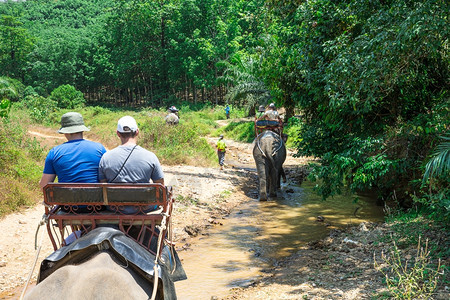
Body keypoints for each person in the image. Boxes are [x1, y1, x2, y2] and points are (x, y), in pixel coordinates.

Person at [99, 115, 164, 214]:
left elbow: (102, 183)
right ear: (137, 132)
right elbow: (160, 186)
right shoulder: (150, 156)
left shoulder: (105, 157)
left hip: (114, 208)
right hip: (144, 208)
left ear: (118, 133)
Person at [39, 112, 107, 190]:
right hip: (95, 200)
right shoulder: (99, 149)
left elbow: (44, 186)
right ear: (82, 130)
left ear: (65, 132)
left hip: (66, 200)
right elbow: (106, 179)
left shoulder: (54, 152)